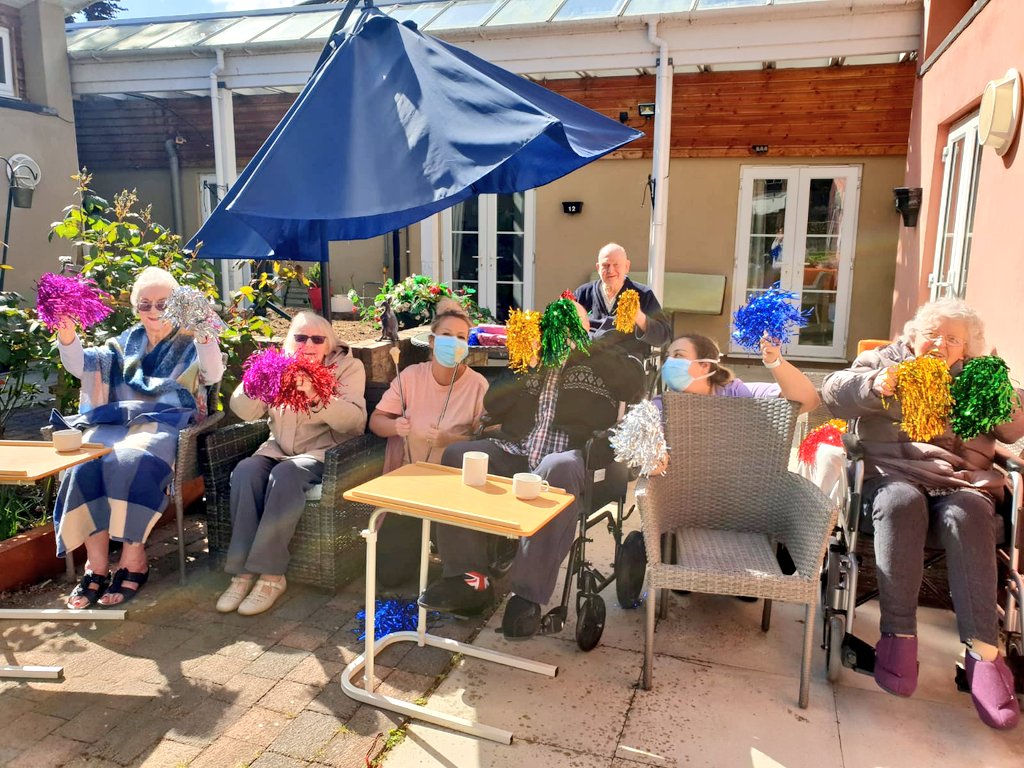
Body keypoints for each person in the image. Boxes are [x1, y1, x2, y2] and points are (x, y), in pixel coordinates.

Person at [822, 298, 1023, 730]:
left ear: (966, 350)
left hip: (962, 483)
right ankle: (897, 640)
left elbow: (1012, 427)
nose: (940, 344)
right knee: (901, 502)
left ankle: (985, 657)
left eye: (953, 339)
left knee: (969, 511)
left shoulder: (977, 376)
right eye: (933, 333)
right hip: (893, 476)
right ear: (913, 335)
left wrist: (1000, 395)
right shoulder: (885, 362)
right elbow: (834, 392)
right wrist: (876, 385)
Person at [418, 299, 644, 640]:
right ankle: (468, 578)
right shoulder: (533, 359)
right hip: (516, 451)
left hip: (572, 456)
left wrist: (586, 346)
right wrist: (527, 364)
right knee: (459, 455)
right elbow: (493, 404)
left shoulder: (604, 360)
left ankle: (526, 596)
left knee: (557, 467)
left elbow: (634, 385)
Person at [54, 266, 225, 608]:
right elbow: (82, 366)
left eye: (162, 304)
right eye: (144, 304)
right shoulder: (122, 345)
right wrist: (68, 335)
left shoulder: (191, 340)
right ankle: (96, 565)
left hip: (165, 421)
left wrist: (206, 334)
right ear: (135, 309)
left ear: (176, 305)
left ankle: (134, 559)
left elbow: (213, 372)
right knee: (83, 463)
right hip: (115, 420)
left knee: (130, 460)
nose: (153, 311)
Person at [216, 311, 366, 616]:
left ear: (327, 345)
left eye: (317, 339)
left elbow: (354, 423)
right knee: (245, 471)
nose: (308, 344)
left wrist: (315, 395)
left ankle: (272, 576)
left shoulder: (348, 368)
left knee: (285, 474)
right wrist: (259, 381)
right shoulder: (277, 364)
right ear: (289, 341)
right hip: (278, 448)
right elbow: (243, 411)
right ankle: (242, 573)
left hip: (322, 453)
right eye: (300, 337)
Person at [369, 300, 489, 586]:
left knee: (464, 577)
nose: (454, 342)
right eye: (447, 335)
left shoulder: (478, 386)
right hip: (411, 483)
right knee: (388, 577)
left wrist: (452, 439)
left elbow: (485, 440)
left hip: (455, 489)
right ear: (433, 342)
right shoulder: (410, 377)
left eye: (461, 337)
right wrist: (395, 425)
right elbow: (377, 421)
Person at [649, 332, 820, 476]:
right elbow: (652, 465)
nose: (669, 362)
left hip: (743, 497)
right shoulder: (661, 407)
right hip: (684, 501)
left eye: (678, 355)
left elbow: (808, 400)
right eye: (668, 356)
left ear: (704, 366)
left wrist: (775, 361)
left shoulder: (737, 394)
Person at [574, 242, 672, 362]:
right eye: (606, 265)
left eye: (616, 265)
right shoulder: (583, 293)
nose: (611, 270)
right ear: (598, 268)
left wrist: (639, 317)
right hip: (589, 359)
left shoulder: (643, 294)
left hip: (625, 362)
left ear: (627, 267)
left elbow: (663, 336)